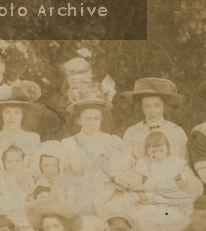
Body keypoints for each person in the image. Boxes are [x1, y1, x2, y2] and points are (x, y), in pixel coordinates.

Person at [125, 132, 203, 231]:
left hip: (172, 198)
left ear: (167, 148)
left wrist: (182, 181)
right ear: (147, 150)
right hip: (152, 198)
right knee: (147, 216)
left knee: (173, 218)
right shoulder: (144, 164)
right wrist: (140, 190)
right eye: (153, 151)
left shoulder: (175, 162)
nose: (158, 154)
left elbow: (188, 180)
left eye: (161, 150)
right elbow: (135, 181)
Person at [58, 82, 132, 216]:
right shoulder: (68, 144)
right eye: (87, 118)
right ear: (79, 120)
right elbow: (64, 177)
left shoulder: (112, 142)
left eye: (95, 118)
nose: (92, 123)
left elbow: (121, 173)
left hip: (108, 196)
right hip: (77, 196)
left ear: (101, 119)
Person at [0, 99, 43, 197]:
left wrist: (31, 194)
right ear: (1, 114)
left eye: (17, 112)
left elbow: (38, 172)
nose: (12, 117)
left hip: (27, 194)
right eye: (7, 112)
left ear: (22, 115)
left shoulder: (33, 139)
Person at [121, 78, 188, 163]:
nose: (152, 110)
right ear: (142, 106)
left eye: (157, 105)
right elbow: (126, 164)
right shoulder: (132, 133)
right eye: (147, 106)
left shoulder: (177, 132)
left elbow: (185, 162)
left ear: (164, 105)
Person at [47, 56, 115, 135]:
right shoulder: (55, 101)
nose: (75, 77)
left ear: (88, 75)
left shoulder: (98, 99)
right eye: (71, 72)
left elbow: (108, 130)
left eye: (80, 73)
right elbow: (49, 132)